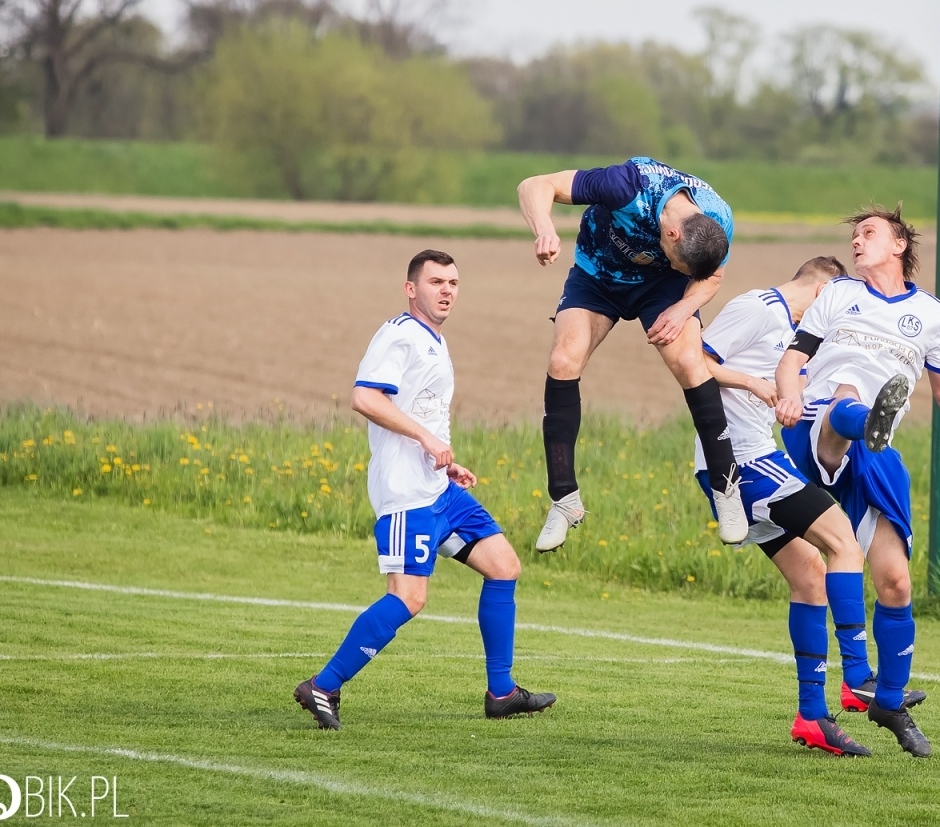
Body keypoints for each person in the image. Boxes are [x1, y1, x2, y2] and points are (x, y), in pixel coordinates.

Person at [294, 250, 554, 730]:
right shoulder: (399, 336)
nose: (447, 290)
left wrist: (445, 459)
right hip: (405, 495)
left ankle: (501, 693)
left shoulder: (435, 340)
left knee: (503, 566)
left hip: (439, 489)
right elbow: (365, 398)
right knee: (410, 598)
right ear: (410, 288)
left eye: (453, 282)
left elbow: (424, 411)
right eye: (436, 281)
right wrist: (425, 439)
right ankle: (323, 686)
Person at [775, 207, 940, 758]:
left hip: (877, 455)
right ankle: (859, 418)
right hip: (818, 430)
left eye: (869, 233)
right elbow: (793, 359)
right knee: (845, 395)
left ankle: (889, 700)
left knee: (896, 583)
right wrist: (786, 392)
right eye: (853, 234)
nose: (857, 240)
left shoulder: (931, 315)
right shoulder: (838, 295)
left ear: (899, 244)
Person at [694, 256, 878, 756]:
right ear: (824, 290)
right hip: (740, 462)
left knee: (812, 576)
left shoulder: (797, 336)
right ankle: (859, 675)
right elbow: (694, 360)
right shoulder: (757, 307)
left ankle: (812, 718)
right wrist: (754, 384)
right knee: (844, 542)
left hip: (759, 456)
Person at [518, 157, 747, 551]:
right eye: (680, 260)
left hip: (661, 288)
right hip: (599, 274)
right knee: (563, 359)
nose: (684, 266)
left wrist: (682, 308)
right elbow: (535, 185)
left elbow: (711, 277)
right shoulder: (625, 185)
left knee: (689, 361)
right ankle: (564, 500)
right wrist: (545, 230)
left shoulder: (717, 218)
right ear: (673, 234)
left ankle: (727, 488)